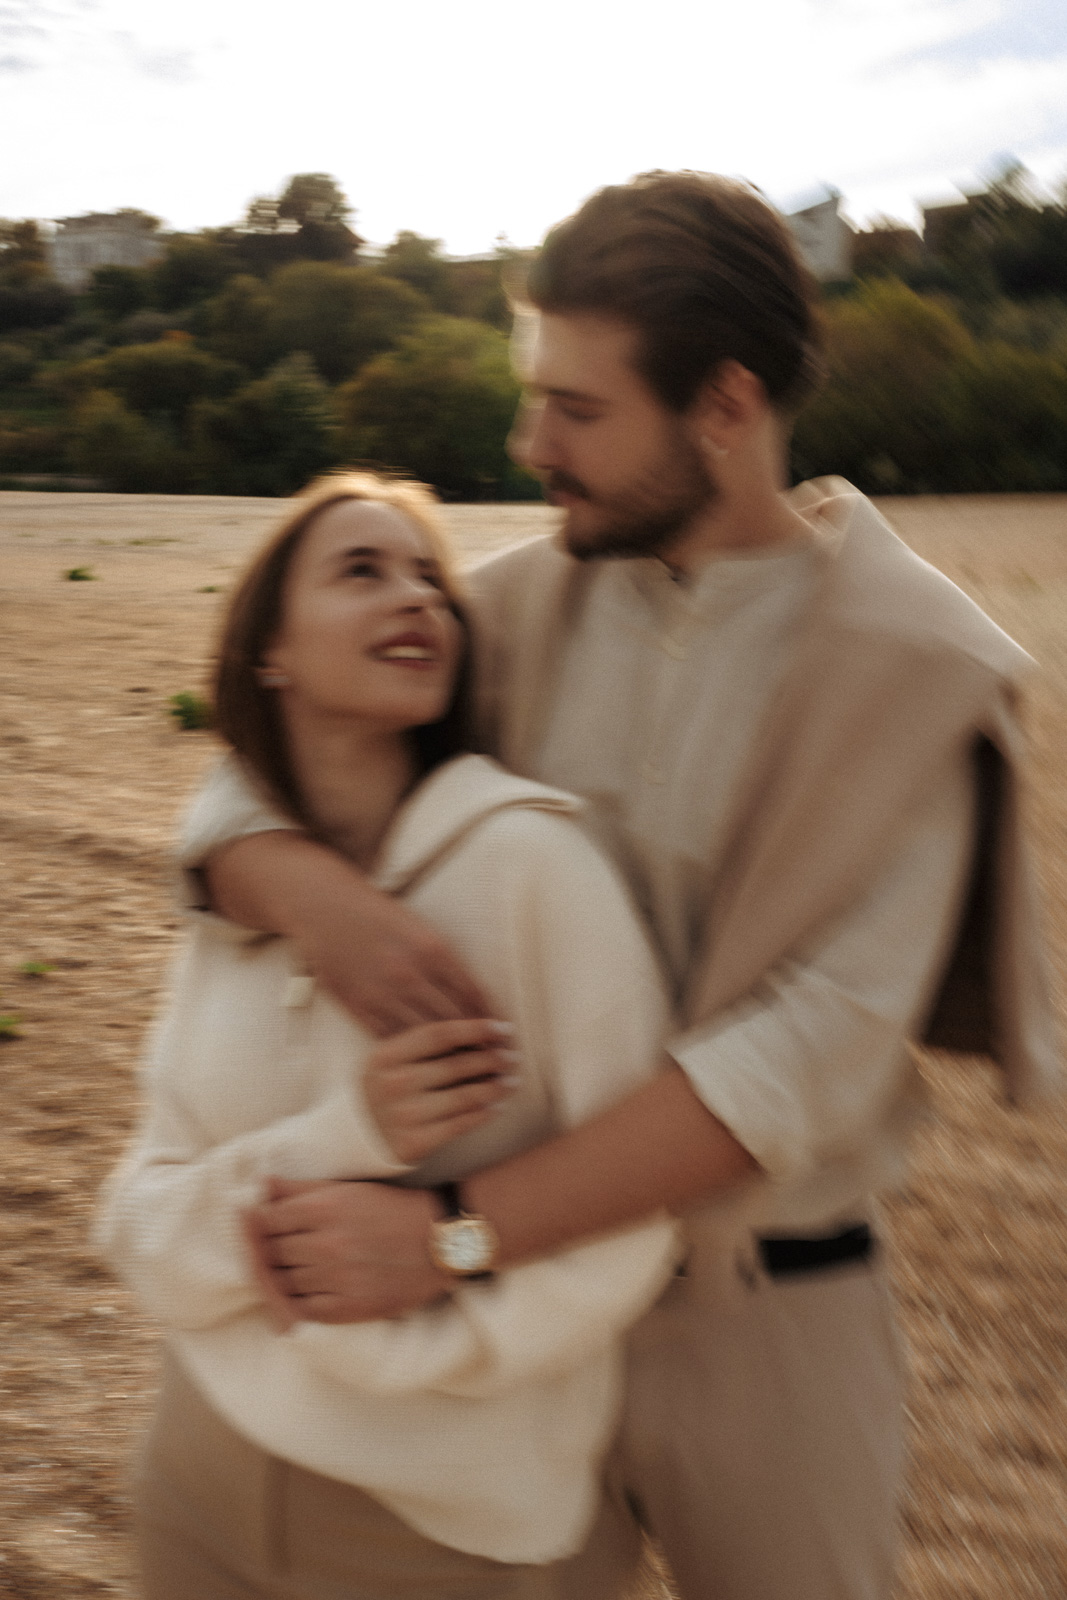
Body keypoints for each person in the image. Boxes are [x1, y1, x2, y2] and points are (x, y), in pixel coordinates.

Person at [185, 173, 1060, 1600]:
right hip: (504, 1333)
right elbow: (254, 765)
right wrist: (308, 894)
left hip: (763, 1327)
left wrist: (448, 1232)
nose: (528, 443)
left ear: (722, 405)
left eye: (573, 409)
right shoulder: (499, 610)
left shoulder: (915, 668)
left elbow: (802, 1056)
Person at [96, 470, 682, 1600]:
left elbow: (631, 1221)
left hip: (436, 1529)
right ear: (270, 650)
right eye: (361, 571)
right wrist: (348, 1136)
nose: (416, 598)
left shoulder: (535, 869)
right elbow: (136, 1222)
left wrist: (400, 1334)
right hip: (196, 1474)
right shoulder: (243, 900)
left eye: (430, 580)